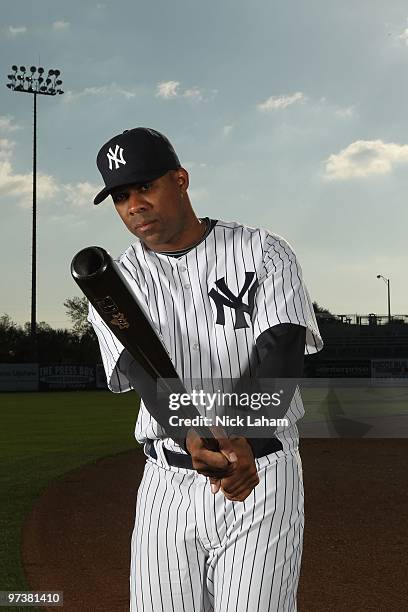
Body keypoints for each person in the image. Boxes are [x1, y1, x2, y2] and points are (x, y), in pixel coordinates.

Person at [88, 127, 323, 611]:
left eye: (145, 187)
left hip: (263, 472)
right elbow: (143, 374)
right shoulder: (118, 279)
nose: (134, 205)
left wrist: (237, 441)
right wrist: (196, 435)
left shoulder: (262, 251)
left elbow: (279, 354)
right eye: (121, 196)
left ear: (180, 180)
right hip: (166, 484)